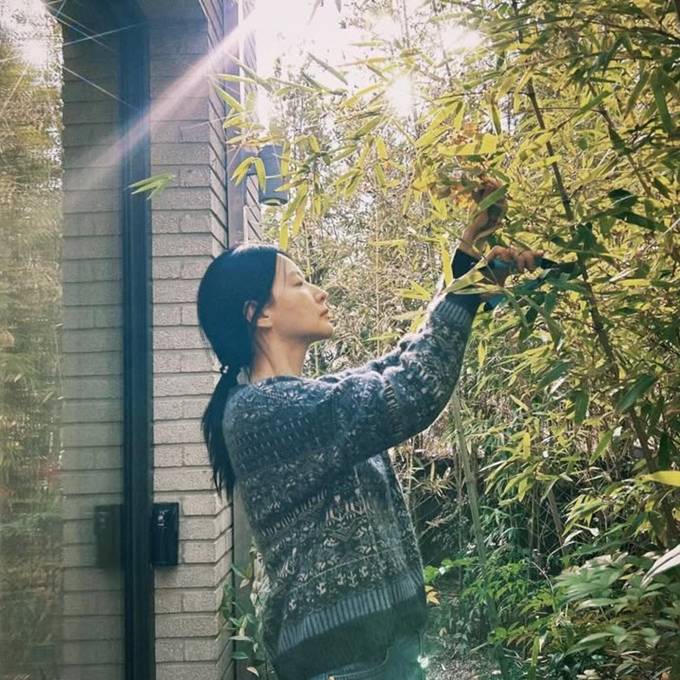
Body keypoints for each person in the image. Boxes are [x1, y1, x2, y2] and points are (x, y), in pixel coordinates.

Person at [197, 180, 544, 680]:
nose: (319, 292)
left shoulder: (303, 398)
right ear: (259, 313)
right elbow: (411, 386)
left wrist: (468, 264)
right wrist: (468, 291)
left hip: (376, 655)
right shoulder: (264, 412)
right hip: (347, 665)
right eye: (298, 284)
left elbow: (394, 365)